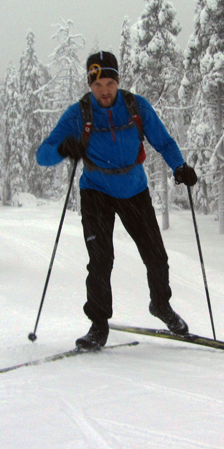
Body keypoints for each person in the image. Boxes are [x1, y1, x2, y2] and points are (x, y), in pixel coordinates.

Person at [36, 51, 198, 350]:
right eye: (97, 84)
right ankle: (98, 325)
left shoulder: (136, 106)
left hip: (133, 189)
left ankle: (160, 305)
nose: (104, 90)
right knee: (100, 260)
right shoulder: (78, 114)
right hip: (96, 191)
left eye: (110, 83)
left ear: (118, 81)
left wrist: (179, 167)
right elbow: (42, 155)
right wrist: (63, 148)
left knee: (156, 256)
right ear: (90, 84)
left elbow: (163, 141)